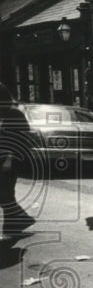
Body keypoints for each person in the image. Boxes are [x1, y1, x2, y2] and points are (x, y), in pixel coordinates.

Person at [1, 82, 35, 236]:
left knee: (5, 192)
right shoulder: (6, 114)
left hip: (12, 159)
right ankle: (14, 223)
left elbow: (18, 138)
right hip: (5, 159)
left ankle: (19, 220)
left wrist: (9, 159)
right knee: (6, 192)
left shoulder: (13, 113)